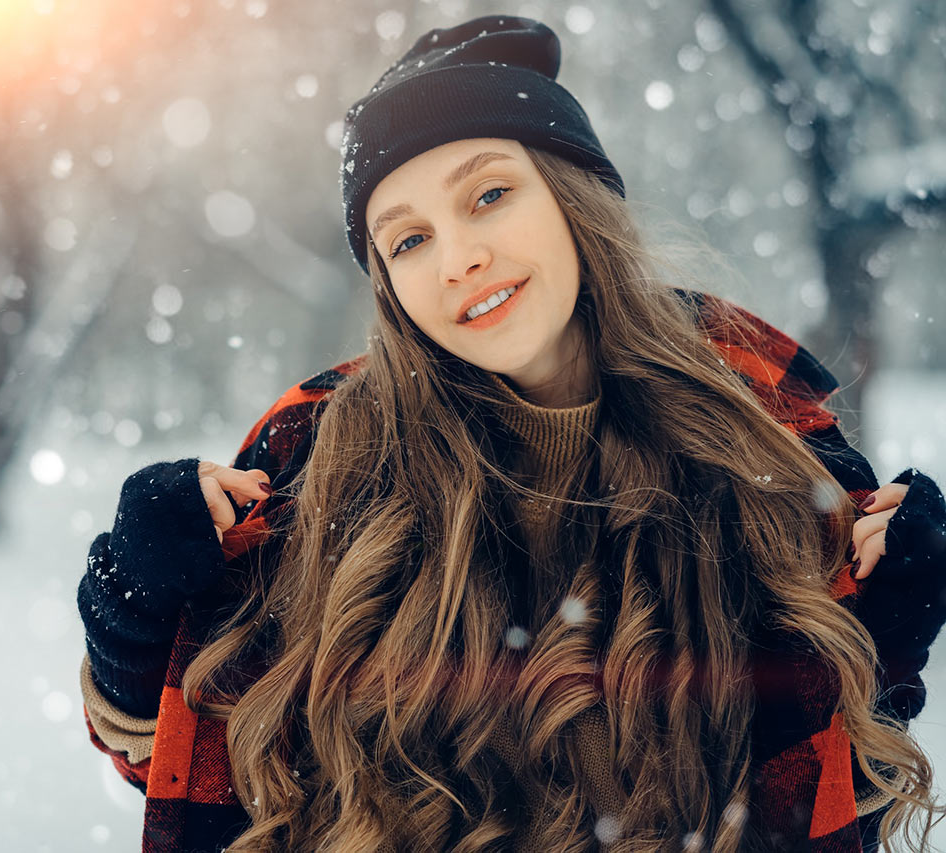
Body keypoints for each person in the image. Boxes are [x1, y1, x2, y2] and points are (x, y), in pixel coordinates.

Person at [75, 16, 946, 853]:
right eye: (409, 239)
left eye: (489, 195)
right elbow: (188, 763)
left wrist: (891, 629)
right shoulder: (319, 455)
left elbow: (828, 781)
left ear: (574, 197)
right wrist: (135, 617)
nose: (458, 260)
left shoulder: (760, 429)